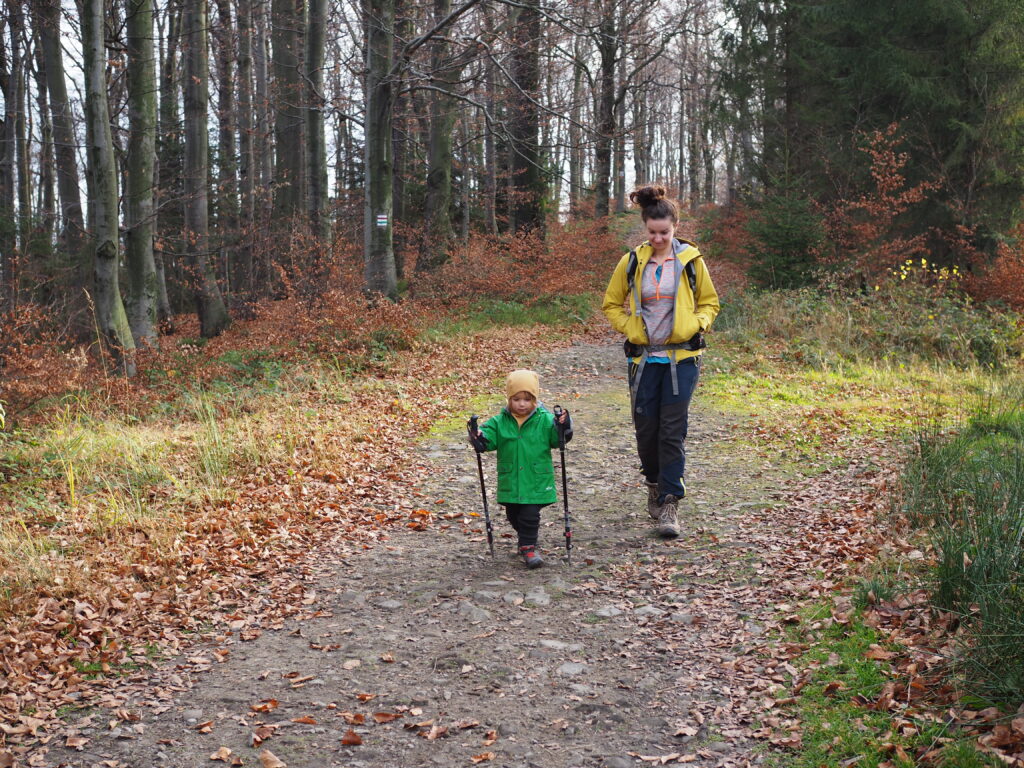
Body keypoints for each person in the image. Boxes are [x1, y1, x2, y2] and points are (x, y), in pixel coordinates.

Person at [602, 184, 720, 538]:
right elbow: (611, 304)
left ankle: (670, 501)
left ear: (675, 228)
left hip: (682, 359)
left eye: (664, 232)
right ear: (645, 228)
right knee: (646, 432)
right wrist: (631, 329)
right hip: (643, 362)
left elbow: (709, 303)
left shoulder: (691, 263)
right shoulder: (632, 262)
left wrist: (697, 324)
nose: (657, 238)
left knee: (672, 431)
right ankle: (653, 483)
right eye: (652, 232)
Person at [468, 370, 572, 569]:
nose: (522, 404)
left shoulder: (545, 419)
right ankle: (525, 539)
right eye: (516, 399)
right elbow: (487, 438)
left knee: (529, 514)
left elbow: (557, 439)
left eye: (527, 399)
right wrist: (478, 435)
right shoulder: (499, 422)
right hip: (511, 479)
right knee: (513, 515)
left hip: (536, 479)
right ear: (509, 398)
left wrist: (564, 426)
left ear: (535, 399)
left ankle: (528, 547)